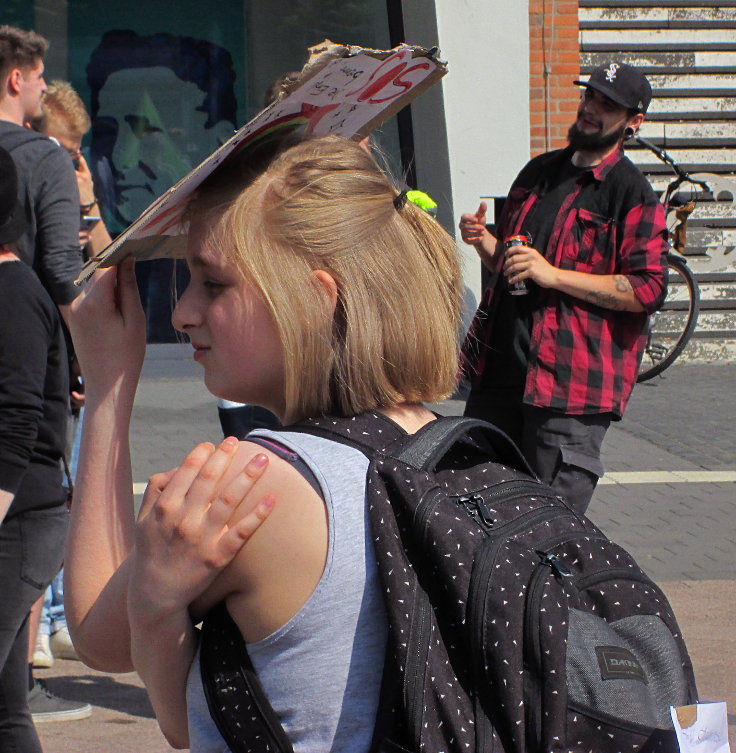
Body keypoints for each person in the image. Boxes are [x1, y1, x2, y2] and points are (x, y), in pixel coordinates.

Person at [65, 135, 461, 751]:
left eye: (213, 284)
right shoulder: (459, 451)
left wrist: (109, 382)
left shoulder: (257, 481)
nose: (182, 313)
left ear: (315, 298)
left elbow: (98, 638)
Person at [459, 62, 668, 514]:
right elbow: (514, 268)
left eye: (607, 105)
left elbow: (647, 289)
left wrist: (551, 274)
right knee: (475, 514)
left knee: (547, 529)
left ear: (634, 121)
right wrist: (484, 243)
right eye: (590, 97)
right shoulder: (538, 174)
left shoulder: (630, 192)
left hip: (570, 393)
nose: (591, 109)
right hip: (499, 377)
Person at [0, 144, 86, 753]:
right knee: (6, 711)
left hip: (19, 520)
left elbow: (18, 417)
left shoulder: (12, 292)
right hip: (18, 515)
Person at [0, 26, 83, 324]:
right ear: (16, 79)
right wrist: (89, 343)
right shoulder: (46, 157)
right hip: (25, 331)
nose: (45, 87)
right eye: (39, 76)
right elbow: (62, 265)